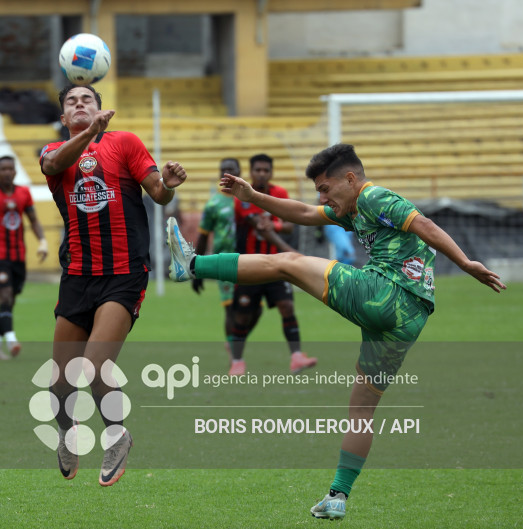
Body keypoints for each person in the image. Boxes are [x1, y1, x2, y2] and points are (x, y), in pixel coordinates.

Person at [166, 143, 506, 520]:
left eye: (326, 188)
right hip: (410, 318)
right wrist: (253, 195)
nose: (323, 197)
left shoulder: (374, 196)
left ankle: (192, 264)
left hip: (386, 293)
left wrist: (465, 262)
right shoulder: (353, 209)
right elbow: (305, 213)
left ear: (350, 178)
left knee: (288, 263)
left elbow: (423, 224)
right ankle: (337, 496)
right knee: (361, 410)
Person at [39, 84, 187, 487]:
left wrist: (168, 182)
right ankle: (68, 435)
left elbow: (156, 193)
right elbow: (53, 167)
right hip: (78, 275)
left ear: (101, 109)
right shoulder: (54, 152)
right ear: (64, 118)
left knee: (96, 365)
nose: (80, 104)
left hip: (124, 273)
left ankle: (117, 436)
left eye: (87, 100)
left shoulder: (125, 143)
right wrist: (88, 135)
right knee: (60, 380)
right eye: (72, 102)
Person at [228, 153, 317, 376]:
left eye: (265, 170)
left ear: (271, 172)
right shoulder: (242, 196)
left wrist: (275, 226)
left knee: (287, 307)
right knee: (243, 315)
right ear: (251, 172)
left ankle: (296, 357)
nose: (261, 174)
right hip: (249, 265)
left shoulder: (280, 194)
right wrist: (291, 251)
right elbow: (258, 226)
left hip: (277, 265)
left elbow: (288, 226)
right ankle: (237, 361)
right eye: (257, 170)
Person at [0, 155, 48, 360]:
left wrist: (42, 241)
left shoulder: (23, 193)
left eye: (10, 169)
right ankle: (12, 340)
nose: (7, 172)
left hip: (18, 255)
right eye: (2, 169)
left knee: (9, 301)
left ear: (15, 171)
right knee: (4, 296)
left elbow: (33, 219)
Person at [192, 158, 240, 359]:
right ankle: (234, 353)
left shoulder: (249, 199)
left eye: (231, 170)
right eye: (224, 170)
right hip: (226, 261)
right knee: (230, 307)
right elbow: (203, 236)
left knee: (253, 308)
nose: (227, 173)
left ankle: (237, 342)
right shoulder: (213, 204)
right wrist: (198, 269)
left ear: (240, 172)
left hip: (251, 258)